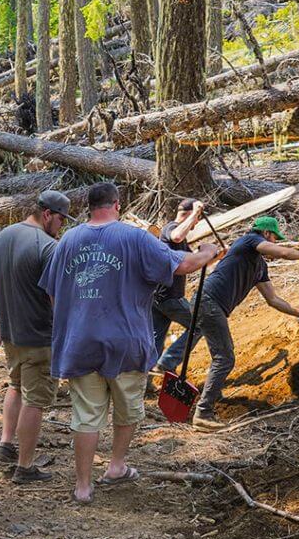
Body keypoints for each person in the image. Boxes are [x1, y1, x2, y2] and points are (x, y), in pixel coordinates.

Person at [38, 182, 219, 503]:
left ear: (89, 207)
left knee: (86, 414)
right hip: (126, 342)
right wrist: (207, 253)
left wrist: (73, 320)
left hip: (80, 343)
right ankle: (116, 465)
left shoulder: (68, 240)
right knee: (128, 408)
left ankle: (82, 486)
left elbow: (52, 291)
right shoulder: (134, 237)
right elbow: (180, 265)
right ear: (117, 205)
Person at [157, 216, 299, 431]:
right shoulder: (248, 241)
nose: (275, 242)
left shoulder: (259, 266)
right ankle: (203, 413)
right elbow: (280, 252)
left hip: (211, 304)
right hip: (208, 301)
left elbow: (273, 300)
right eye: (274, 238)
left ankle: (208, 400)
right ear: (265, 233)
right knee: (225, 358)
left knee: (222, 356)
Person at [0, 190, 72, 483]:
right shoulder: (48, 247)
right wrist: (65, 330)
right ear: (47, 214)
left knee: (16, 384)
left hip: (10, 330)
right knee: (35, 400)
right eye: (61, 219)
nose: (61, 226)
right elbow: (55, 295)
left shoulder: (3, 236)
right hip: (39, 335)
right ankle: (25, 466)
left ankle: (6, 443)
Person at [152, 199, 205, 357]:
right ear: (189, 214)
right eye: (197, 218)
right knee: (200, 324)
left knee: (156, 338)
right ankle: (168, 362)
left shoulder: (182, 239)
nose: (197, 221)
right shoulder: (171, 228)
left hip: (158, 298)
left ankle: (146, 378)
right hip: (169, 297)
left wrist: (215, 256)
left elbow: (193, 260)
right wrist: (196, 212)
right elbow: (175, 236)